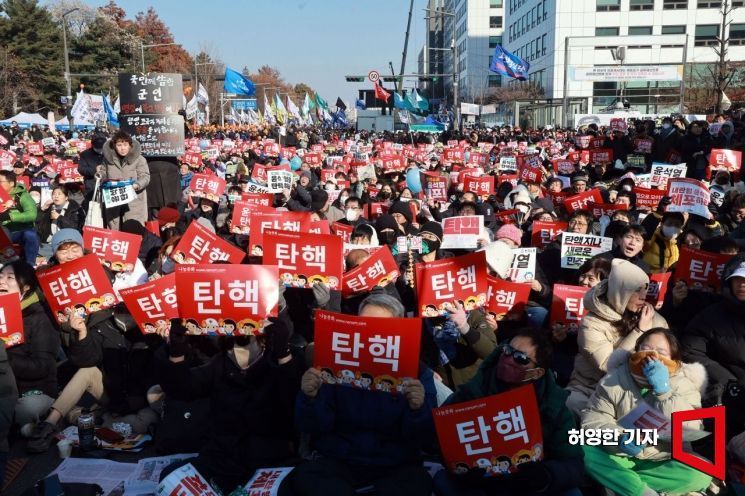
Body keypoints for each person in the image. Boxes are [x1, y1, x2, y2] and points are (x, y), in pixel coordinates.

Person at [292, 294, 437, 496]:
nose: (371, 335)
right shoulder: (333, 364)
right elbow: (312, 426)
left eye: (379, 328)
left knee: (417, 483)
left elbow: (425, 437)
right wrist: (310, 398)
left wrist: (418, 409)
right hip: (340, 459)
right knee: (304, 478)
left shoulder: (418, 374)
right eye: (364, 325)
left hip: (394, 463)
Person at [433, 329, 585, 496]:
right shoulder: (471, 392)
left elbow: (573, 462)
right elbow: (433, 437)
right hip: (482, 486)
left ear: (537, 373)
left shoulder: (552, 405)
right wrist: (461, 468)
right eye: (507, 350)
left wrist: (545, 476)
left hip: (527, 487)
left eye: (520, 358)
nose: (508, 359)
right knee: (442, 481)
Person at [158, 316, 300, 492]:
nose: (237, 350)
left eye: (245, 341)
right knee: (172, 477)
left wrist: (283, 353)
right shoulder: (219, 365)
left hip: (269, 461)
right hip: (222, 458)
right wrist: (177, 353)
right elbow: (181, 389)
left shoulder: (277, 362)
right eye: (231, 343)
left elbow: (292, 400)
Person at [581, 329, 711, 496]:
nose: (651, 357)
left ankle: (620, 485)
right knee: (582, 451)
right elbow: (593, 418)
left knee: (701, 474)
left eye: (661, 352)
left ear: (673, 359)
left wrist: (664, 391)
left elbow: (691, 428)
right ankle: (641, 491)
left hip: (660, 459)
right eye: (645, 349)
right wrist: (619, 437)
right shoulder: (614, 379)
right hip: (618, 456)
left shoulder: (685, 385)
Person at [566, 259, 668, 416]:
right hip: (590, 388)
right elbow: (607, 365)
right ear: (621, 291)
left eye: (645, 289)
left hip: (636, 390)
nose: (643, 296)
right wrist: (640, 331)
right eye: (637, 290)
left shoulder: (651, 317)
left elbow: (669, 354)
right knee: (576, 406)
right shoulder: (591, 323)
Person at [0, 261, 60, 429]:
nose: (2, 282)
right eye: (0, 277)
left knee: (24, 409)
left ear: (26, 287)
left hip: (33, 390)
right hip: (4, 388)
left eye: (10, 278)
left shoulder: (40, 317)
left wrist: (4, 357)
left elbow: (42, 366)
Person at [682, 254, 745, 405]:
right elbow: (690, 350)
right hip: (729, 398)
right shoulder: (711, 315)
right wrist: (728, 383)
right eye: (737, 279)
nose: (742, 284)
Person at [100, 130, 150, 229]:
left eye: (125, 145)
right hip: (114, 201)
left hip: (134, 201)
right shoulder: (107, 159)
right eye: (119, 145)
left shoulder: (139, 159)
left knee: (133, 230)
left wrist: (137, 185)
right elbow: (103, 175)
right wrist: (99, 174)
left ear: (130, 145)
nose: (123, 148)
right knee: (114, 230)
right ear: (114, 146)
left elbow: (145, 177)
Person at [0, 170, 38, 266]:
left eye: (0, 181)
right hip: (4, 232)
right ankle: (7, 262)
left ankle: (30, 265)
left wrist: (10, 216)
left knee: (30, 235)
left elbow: (32, 214)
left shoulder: (22, 195)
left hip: (21, 231)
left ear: (11, 183)